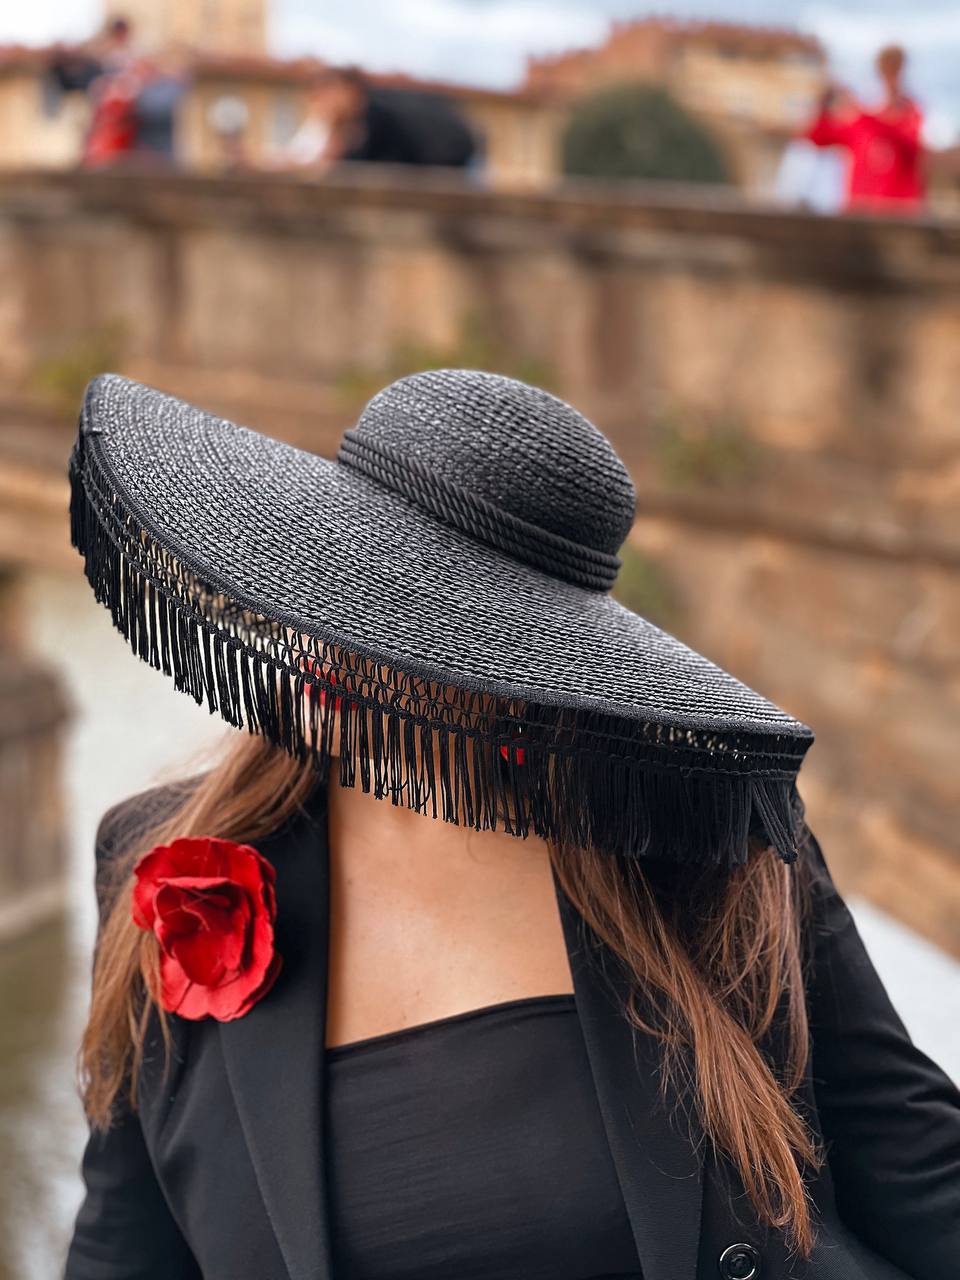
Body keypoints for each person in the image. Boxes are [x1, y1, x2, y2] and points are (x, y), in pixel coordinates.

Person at [64, 369, 959, 1278]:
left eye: (404, 611)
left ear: (525, 664)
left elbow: (921, 1178)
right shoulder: (164, 865)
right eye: (334, 578)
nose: (330, 636)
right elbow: (121, 1254)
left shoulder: (712, 847)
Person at [280, 65, 475, 171]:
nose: (322, 103)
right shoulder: (371, 113)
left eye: (326, 94)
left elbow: (352, 163)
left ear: (350, 91)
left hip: (456, 159)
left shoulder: (379, 115)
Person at [803, 45, 925, 214]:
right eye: (885, 68)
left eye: (894, 68)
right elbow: (817, 137)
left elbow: (912, 146)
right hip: (860, 214)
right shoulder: (859, 120)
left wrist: (865, 114)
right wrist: (824, 99)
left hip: (900, 215)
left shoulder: (909, 111)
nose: (889, 75)